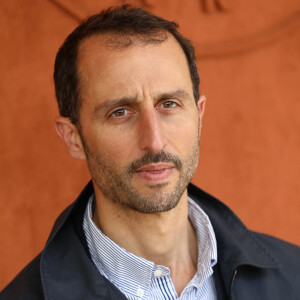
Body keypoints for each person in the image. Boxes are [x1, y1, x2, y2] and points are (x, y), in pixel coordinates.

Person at [1, 5, 299, 300]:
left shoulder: (294, 275)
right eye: (120, 112)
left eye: (169, 104)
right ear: (73, 137)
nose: (154, 141)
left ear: (199, 116)